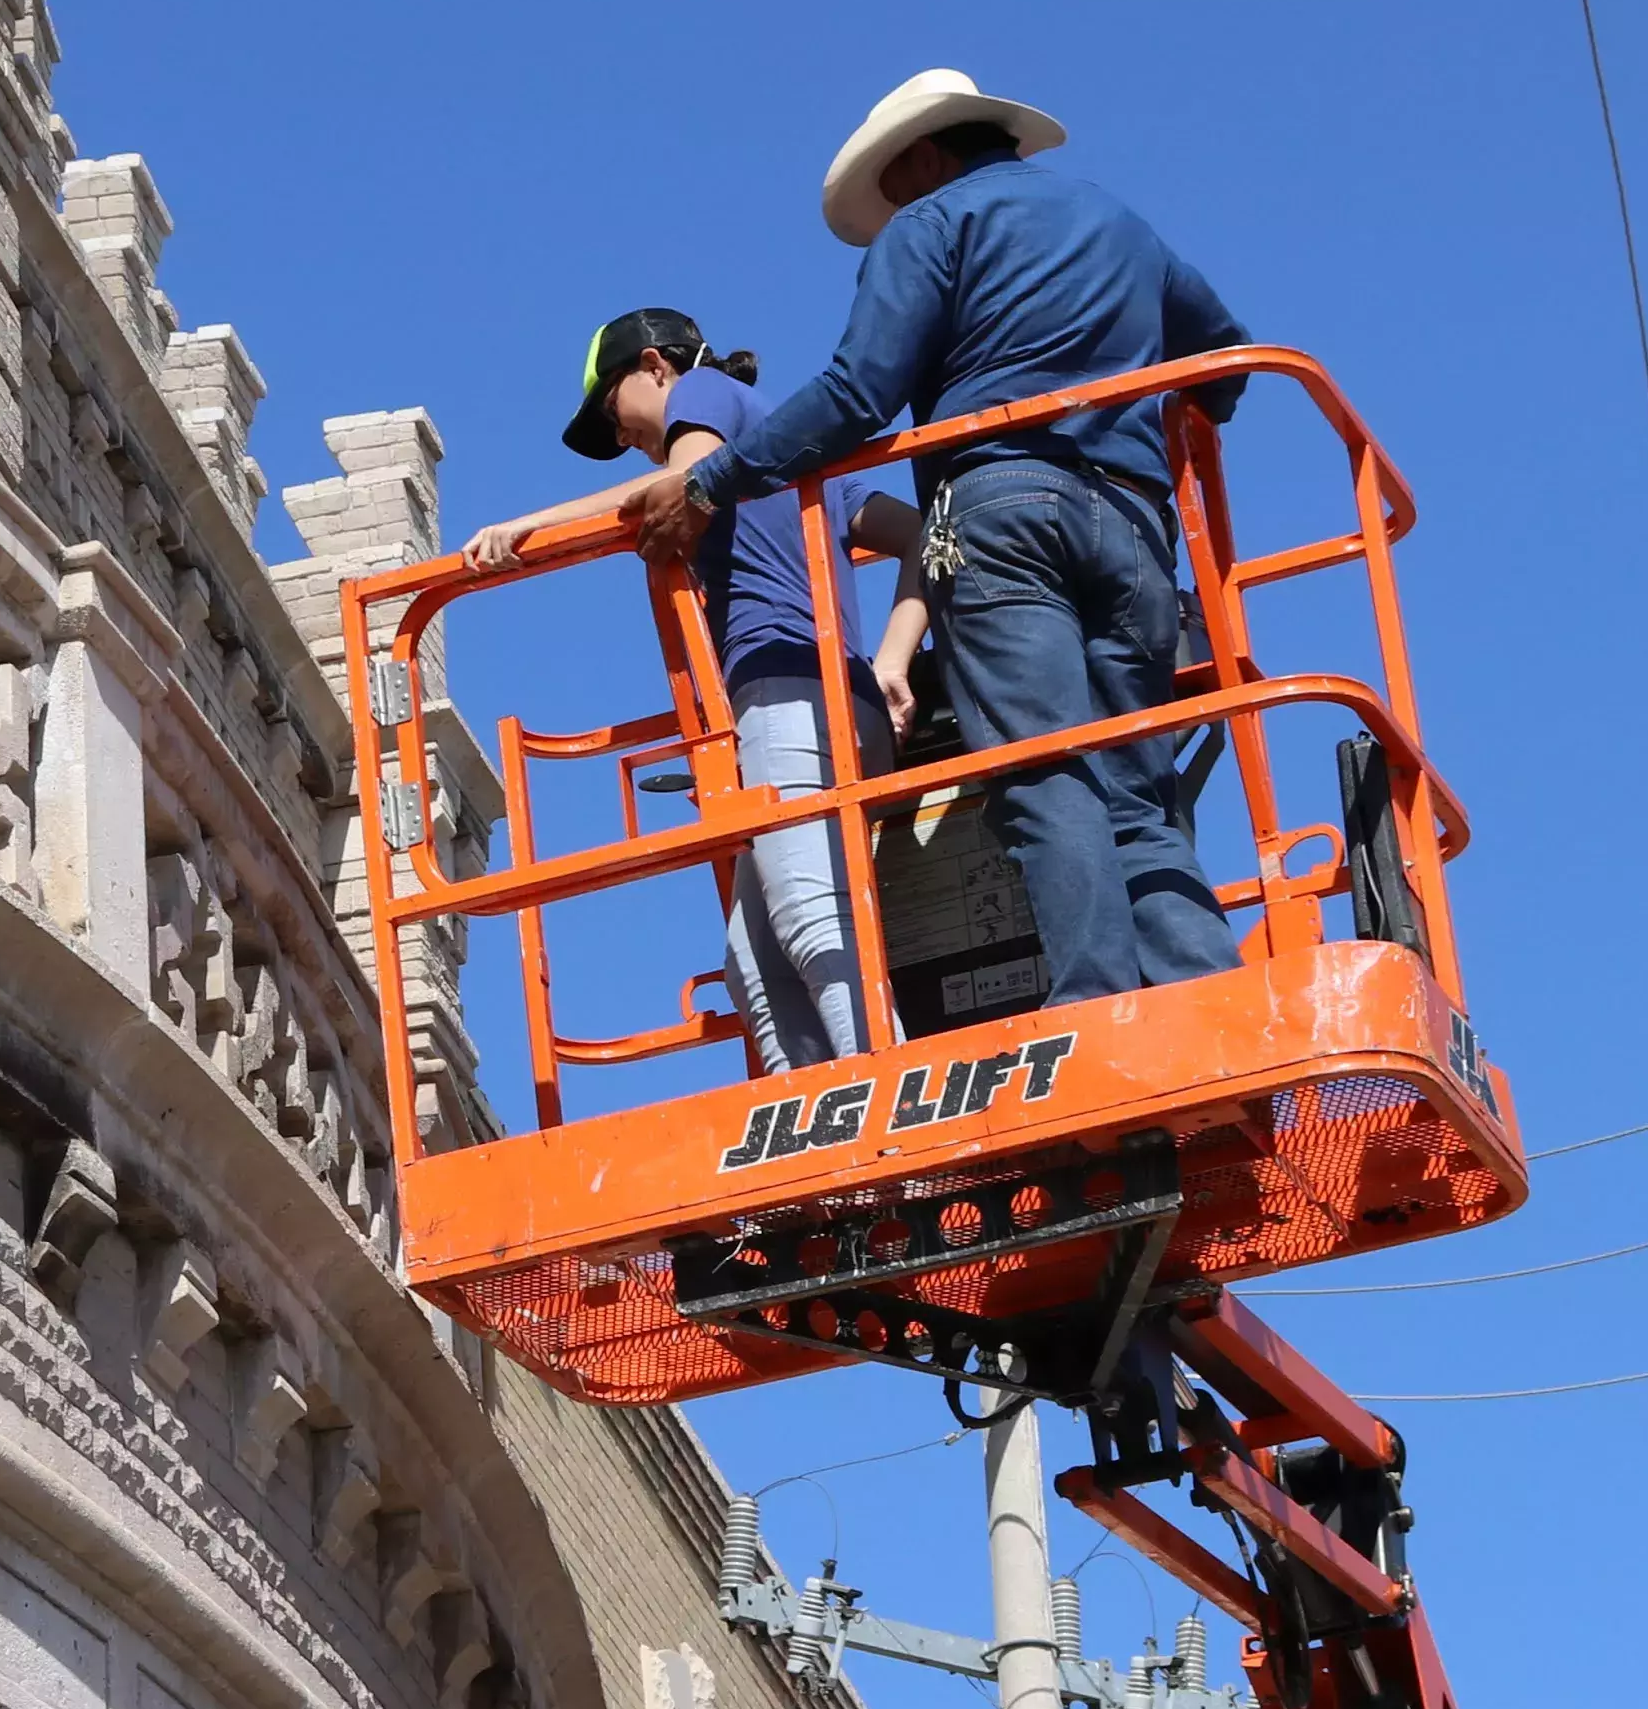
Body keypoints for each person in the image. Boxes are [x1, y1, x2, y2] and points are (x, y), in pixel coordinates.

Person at [633, 69, 1249, 1005]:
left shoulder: (929, 226)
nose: (893, 207)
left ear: (920, 155)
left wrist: (711, 482)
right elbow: (1225, 365)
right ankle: (1210, 1001)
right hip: (1133, 523)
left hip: (1000, 509)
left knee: (1043, 768)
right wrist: (1139, 422)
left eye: (893, 188)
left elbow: (857, 394)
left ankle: (1103, 1012)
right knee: (1139, 784)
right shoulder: (1120, 222)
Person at [462, 306, 916, 1072]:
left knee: (810, 917)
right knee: (755, 960)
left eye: (616, 414)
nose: (624, 442)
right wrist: (894, 662)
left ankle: (900, 1095)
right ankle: (827, 1119)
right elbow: (919, 536)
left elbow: (681, 483)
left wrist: (524, 527)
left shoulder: (702, 393)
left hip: (787, 692)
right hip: (841, 699)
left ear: (654, 366)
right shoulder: (790, 440)